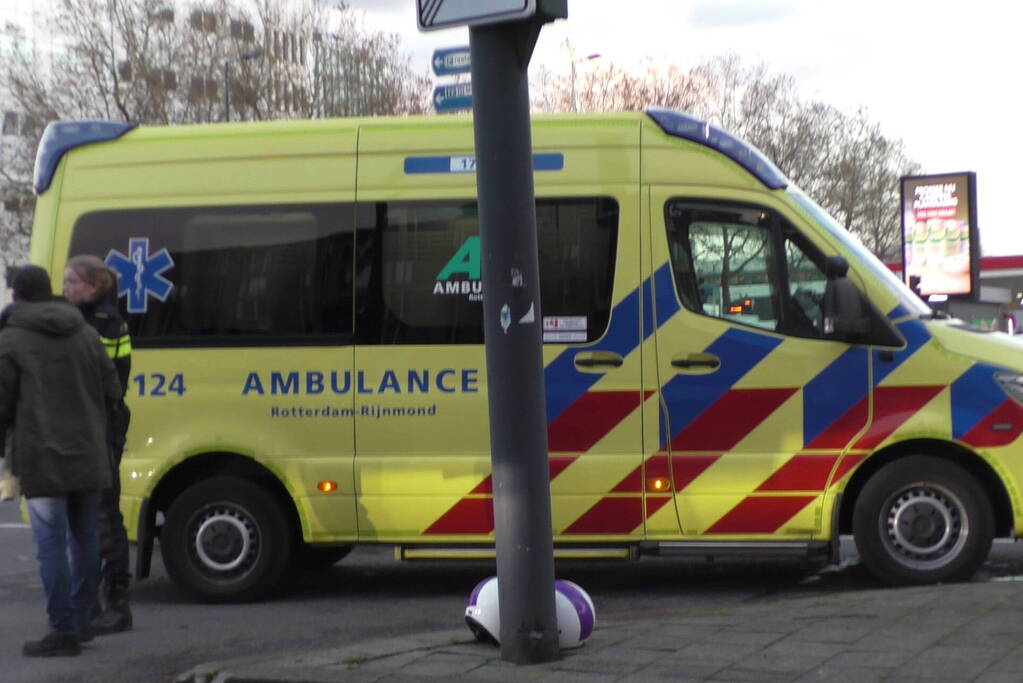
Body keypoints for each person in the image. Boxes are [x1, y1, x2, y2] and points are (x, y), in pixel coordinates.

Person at [0, 264, 120, 657]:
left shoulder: (11, 339)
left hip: (42, 456)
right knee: (85, 538)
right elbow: (112, 389)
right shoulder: (85, 332)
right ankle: (83, 620)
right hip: (88, 450)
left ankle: (63, 629)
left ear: (16, 296)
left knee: (50, 544)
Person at [63, 254, 134, 634]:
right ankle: (90, 602)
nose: (65, 288)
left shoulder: (104, 323)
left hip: (101, 427)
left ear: (92, 286)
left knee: (104, 517)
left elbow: (103, 380)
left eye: (72, 282)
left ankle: (117, 604)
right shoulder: (82, 319)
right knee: (85, 519)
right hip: (87, 427)